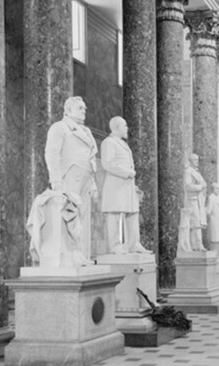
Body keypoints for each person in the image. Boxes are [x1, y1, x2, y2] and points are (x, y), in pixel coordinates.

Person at [44, 96, 98, 262]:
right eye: (80, 108)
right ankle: (70, 255)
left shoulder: (86, 131)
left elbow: (90, 157)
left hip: (86, 177)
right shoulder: (60, 127)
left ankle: (81, 253)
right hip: (70, 175)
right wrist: (55, 178)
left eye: (85, 108)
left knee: (83, 218)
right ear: (68, 110)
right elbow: (52, 153)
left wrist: (93, 184)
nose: (84, 111)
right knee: (70, 215)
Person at [100, 116, 149, 255]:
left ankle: (134, 244)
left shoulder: (123, 144)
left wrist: (132, 183)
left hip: (127, 184)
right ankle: (115, 245)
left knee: (133, 212)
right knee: (114, 214)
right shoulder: (108, 142)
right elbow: (107, 164)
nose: (127, 128)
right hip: (116, 184)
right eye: (124, 126)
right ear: (116, 128)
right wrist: (127, 173)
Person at [183, 152, 207, 251]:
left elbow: (204, 183)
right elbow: (188, 186)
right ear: (190, 161)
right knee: (195, 223)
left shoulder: (196, 172)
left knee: (198, 223)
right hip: (192, 200)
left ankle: (198, 244)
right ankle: (197, 245)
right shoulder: (188, 171)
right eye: (195, 160)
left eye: (197, 160)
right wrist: (200, 187)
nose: (197, 162)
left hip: (198, 200)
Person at [205, 182, 219, 258]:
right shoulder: (211, 198)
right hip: (215, 223)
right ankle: (217, 258)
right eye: (217, 188)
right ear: (213, 189)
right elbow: (208, 211)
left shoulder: (216, 199)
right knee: (215, 241)